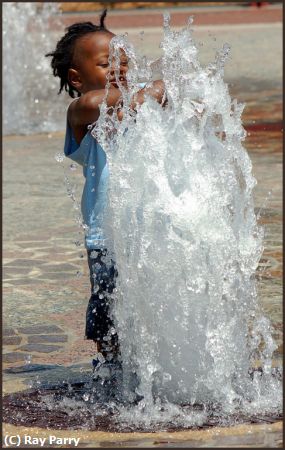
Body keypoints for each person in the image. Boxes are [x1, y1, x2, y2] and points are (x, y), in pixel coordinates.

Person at [46, 10, 166, 373]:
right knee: (109, 308)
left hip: (150, 231)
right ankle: (112, 372)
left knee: (154, 303)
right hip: (107, 237)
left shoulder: (137, 111)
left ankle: (155, 367)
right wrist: (153, 92)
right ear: (76, 78)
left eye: (123, 62)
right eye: (106, 64)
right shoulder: (82, 114)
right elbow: (93, 104)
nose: (118, 69)